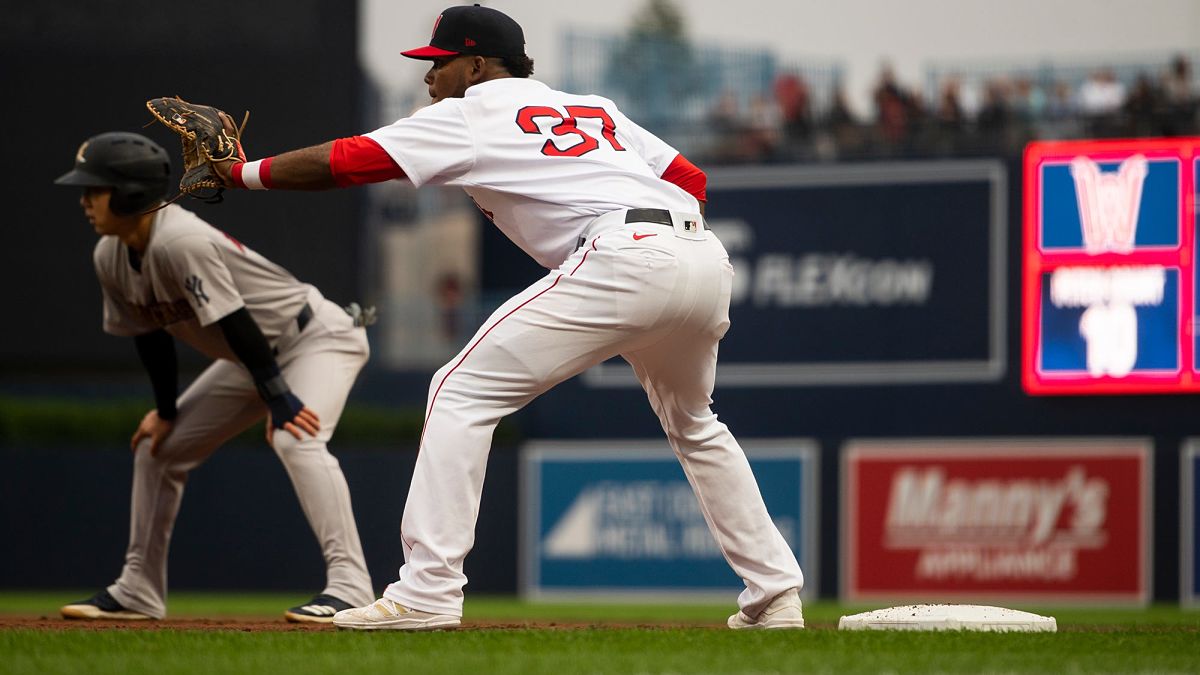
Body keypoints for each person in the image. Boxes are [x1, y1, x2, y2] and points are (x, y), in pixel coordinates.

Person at [208, 3, 804, 631]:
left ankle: (428, 591)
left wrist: (243, 173)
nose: (429, 77)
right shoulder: (594, 109)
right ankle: (774, 594)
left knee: (459, 389)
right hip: (702, 258)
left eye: (439, 63)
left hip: (625, 258)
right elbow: (691, 178)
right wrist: (657, 234)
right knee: (696, 425)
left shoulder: (470, 112)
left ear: (477, 65)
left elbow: (349, 161)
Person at [53, 131, 374, 623]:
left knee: (297, 441)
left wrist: (281, 400)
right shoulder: (110, 255)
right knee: (156, 448)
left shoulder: (181, 240)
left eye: (94, 189)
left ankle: (351, 588)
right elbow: (150, 334)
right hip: (254, 357)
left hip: (316, 336)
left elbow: (236, 323)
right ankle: (138, 589)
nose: (83, 201)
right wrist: (165, 413)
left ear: (130, 194)